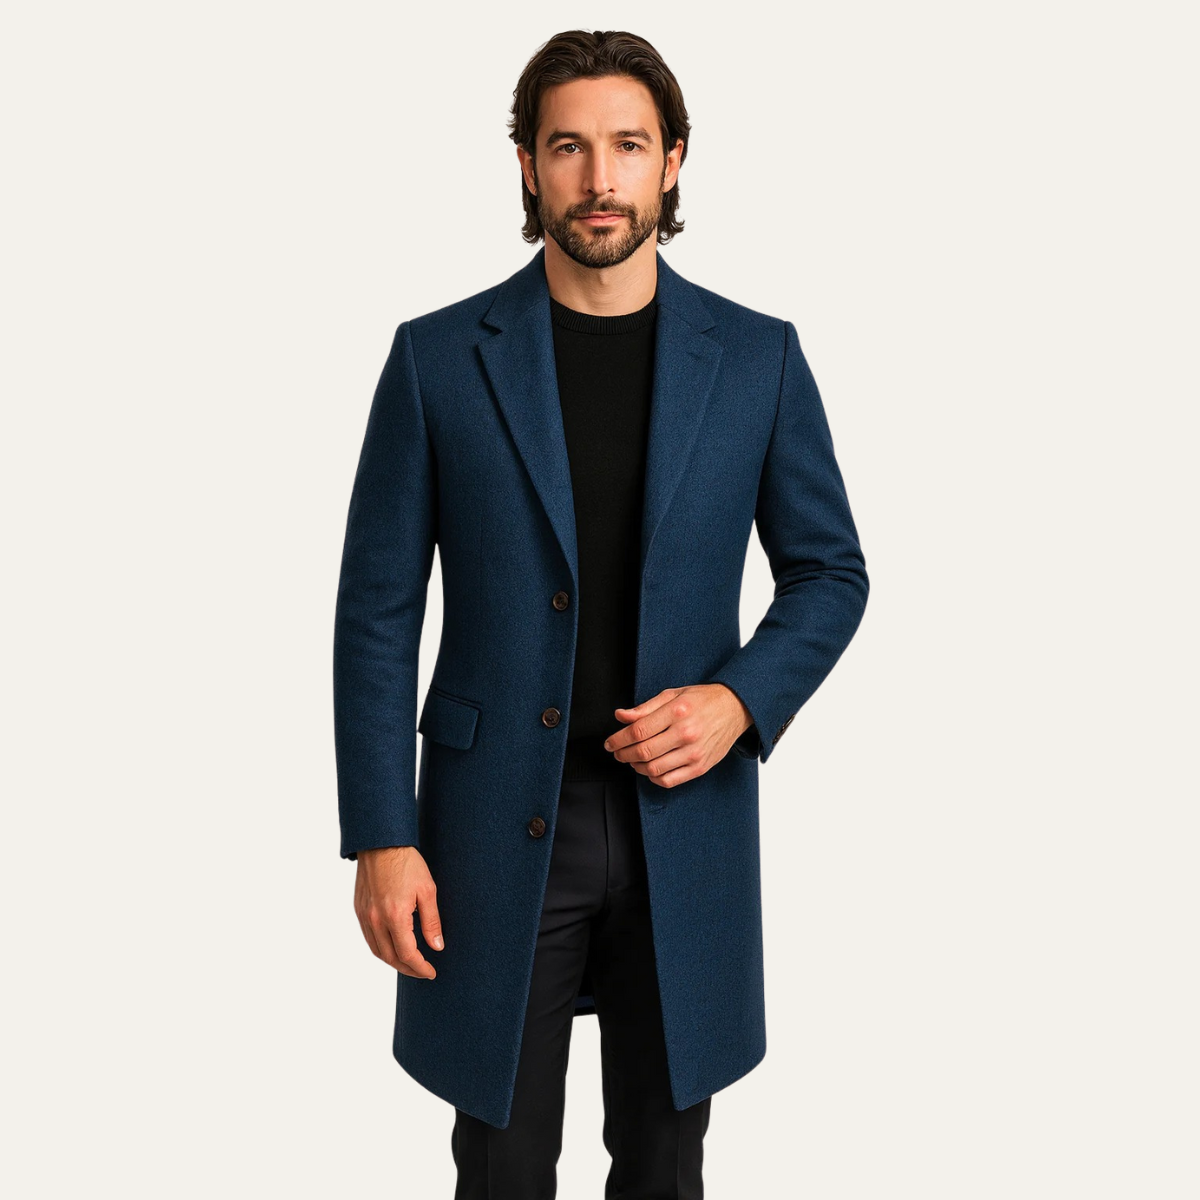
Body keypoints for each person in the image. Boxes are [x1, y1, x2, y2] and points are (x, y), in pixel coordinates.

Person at [332, 28, 869, 1199]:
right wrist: (381, 832)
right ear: (528, 166)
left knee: (667, 1164)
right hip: (490, 825)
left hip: (686, 816)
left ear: (672, 162)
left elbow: (831, 572)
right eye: (568, 146)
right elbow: (377, 612)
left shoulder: (759, 360)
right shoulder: (437, 360)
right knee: (503, 1163)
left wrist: (737, 702)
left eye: (628, 145)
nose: (599, 177)